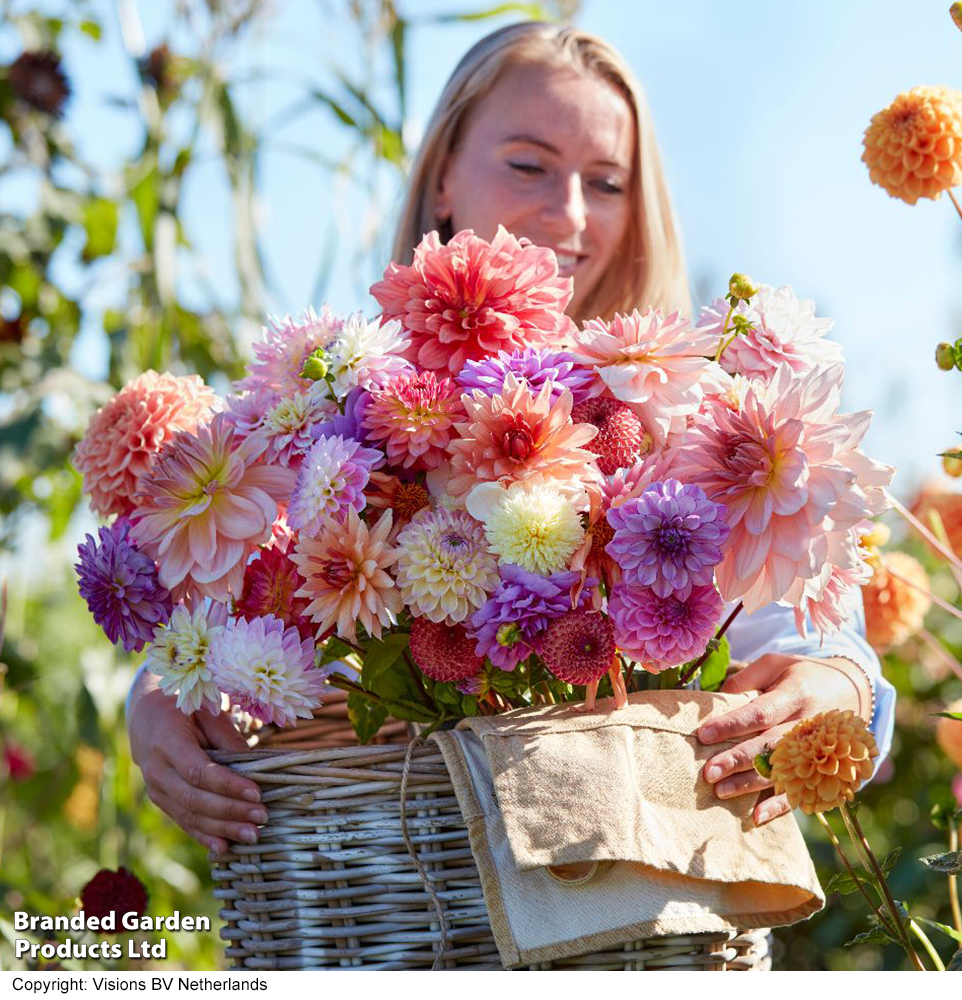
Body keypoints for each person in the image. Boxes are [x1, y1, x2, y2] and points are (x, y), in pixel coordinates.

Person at [127, 21, 895, 855]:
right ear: (443, 174)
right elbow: (245, 575)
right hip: (386, 901)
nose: (568, 215)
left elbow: (796, 634)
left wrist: (839, 683)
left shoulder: (695, 417)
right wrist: (162, 689)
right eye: (529, 165)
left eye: (606, 182)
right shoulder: (336, 407)